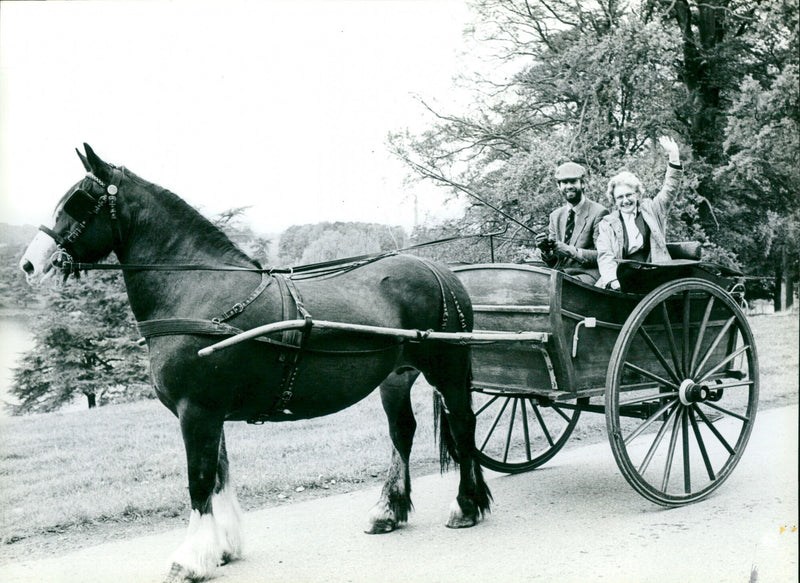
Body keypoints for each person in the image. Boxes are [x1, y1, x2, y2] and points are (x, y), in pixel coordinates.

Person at [595, 136, 682, 290]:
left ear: (637, 194)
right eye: (620, 197)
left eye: (629, 195)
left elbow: (670, 190)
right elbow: (605, 255)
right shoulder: (607, 224)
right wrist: (613, 281)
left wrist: (674, 156)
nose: (625, 200)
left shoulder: (653, 209)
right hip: (621, 278)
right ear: (614, 200)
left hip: (654, 276)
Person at [535, 161, 609, 284]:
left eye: (573, 181)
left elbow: (603, 255)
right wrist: (546, 251)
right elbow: (554, 261)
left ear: (583, 184)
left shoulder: (599, 212)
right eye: (564, 182)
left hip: (587, 276)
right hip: (560, 275)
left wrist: (570, 250)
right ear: (559, 186)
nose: (569, 186)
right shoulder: (555, 216)